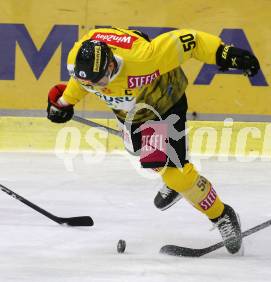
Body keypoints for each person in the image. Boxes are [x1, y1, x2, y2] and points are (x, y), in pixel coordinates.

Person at [46, 27, 260, 254]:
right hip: (133, 114)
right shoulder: (78, 61)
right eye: (92, 83)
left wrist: (224, 52)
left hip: (164, 105)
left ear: (110, 64)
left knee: (177, 174)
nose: (100, 87)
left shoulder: (144, 58)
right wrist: (64, 103)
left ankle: (222, 215)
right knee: (145, 156)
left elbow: (193, 41)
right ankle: (175, 177)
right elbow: (81, 83)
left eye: (100, 80)